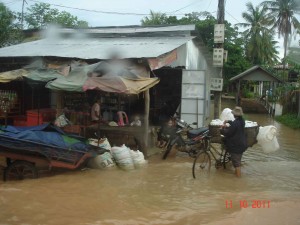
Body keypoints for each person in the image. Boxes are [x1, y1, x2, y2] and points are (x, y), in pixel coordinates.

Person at [220, 106, 247, 177]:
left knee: (237, 164)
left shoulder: (236, 123)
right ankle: (236, 176)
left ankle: (238, 181)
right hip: (242, 144)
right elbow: (234, 125)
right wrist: (228, 121)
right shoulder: (242, 121)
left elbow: (228, 133)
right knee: (237, 161)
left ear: (235, 115)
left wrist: (221, 129)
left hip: (236, 146)